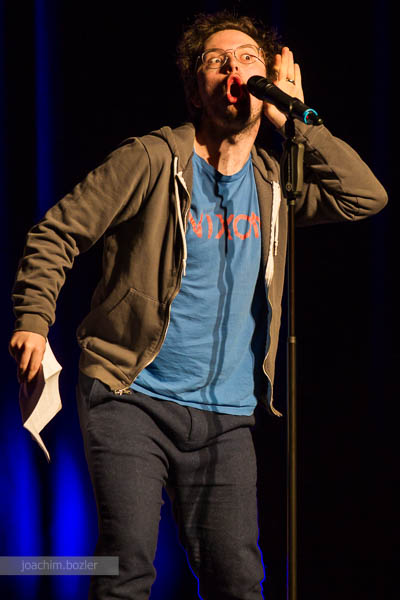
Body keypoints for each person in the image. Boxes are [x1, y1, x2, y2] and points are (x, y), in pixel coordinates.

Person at [9, 10, 387, 600]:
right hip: (130, 394)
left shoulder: (275, 186)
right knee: (125, 568)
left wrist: (297, 124)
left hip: (226, 417)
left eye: (249, 59)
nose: (236, 70)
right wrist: (34, 320)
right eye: (218, 62)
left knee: (238, 580)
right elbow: (57, 232)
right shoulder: (153, 159)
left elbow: (365, 196)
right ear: (195, 90)